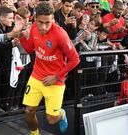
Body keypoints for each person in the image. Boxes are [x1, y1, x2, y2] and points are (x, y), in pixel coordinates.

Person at [18, 2, 80, 134]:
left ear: (53, 19)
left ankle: (61, 114)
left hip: (55, 80)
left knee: (51, 120)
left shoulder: (60, 34)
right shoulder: (34, 27)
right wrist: (22, 37)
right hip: (37, 75)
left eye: (48, 22)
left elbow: (75, 59)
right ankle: (35, 133)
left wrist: (56, 76)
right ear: (35, 18)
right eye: (41, 22)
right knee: (29, 111)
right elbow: (29, 49)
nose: (44, 27)